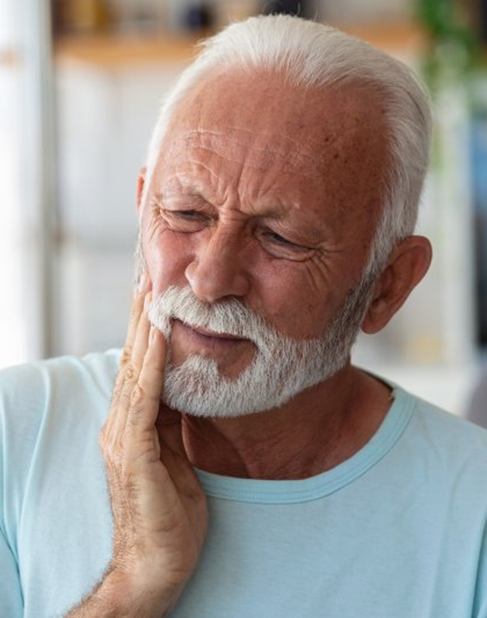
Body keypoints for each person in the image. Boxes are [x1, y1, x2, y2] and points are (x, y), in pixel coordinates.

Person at [2, 15, 487, 618]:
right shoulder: (12, 432)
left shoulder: (474, 508)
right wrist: (130, 588)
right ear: (141, 204)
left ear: (387, 285)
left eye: (280, 239)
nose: (208, 279)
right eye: (185, 213)